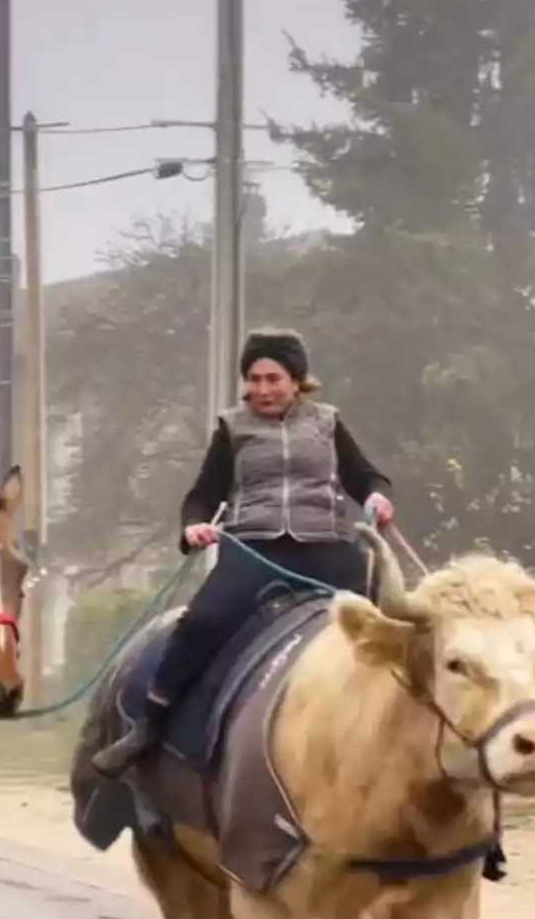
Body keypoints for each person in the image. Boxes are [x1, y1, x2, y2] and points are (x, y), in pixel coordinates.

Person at [92, 326, 395, 779]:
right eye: (254, 379)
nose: (262, 389)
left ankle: (399, 731)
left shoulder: (327, 423)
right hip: (255, 547)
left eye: (273, 378)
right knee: (202, 622)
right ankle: (149, 727)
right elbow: (202, 495)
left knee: (386, 629)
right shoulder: (233, 428)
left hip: (325, 546)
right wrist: (193, 526)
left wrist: (376, 497)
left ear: (297, 380)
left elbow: (367, 478)